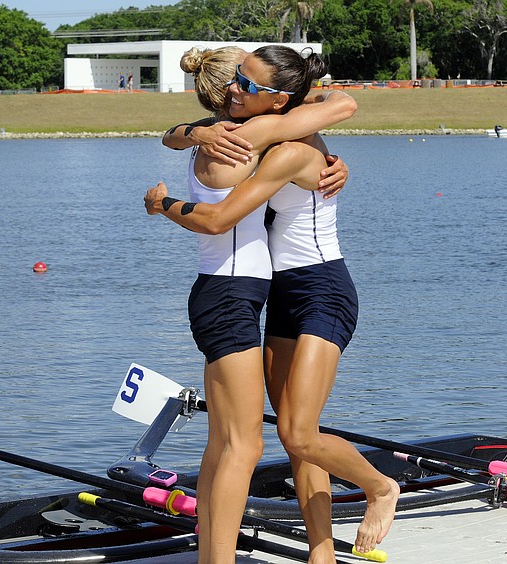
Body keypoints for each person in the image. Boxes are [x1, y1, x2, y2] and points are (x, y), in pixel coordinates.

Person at [146, 46, 398, 563]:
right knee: (289, 436)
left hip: (323, 290)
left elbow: (339, 105)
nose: (238, 88)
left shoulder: (279, 145)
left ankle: (376, 489)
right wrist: (191, 132)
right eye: (235, 79)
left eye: (249, 83)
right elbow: (184, 134)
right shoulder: (267, 134)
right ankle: (319, 553)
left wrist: (163, 196)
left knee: (299, 433)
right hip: (273, 293)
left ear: (280, 100)